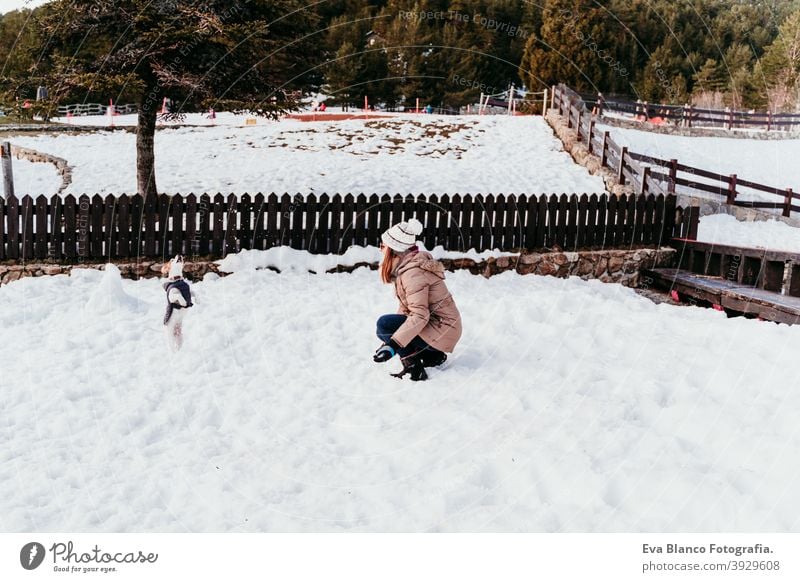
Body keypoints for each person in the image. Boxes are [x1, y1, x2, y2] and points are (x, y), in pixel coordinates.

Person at [373, 219, 462, 381]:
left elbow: (420, 315)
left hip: (443, 329)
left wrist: (393, 344)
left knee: (384, 325)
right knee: (387, 328)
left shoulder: (412, 273)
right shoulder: (408, 267)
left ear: (393, 250)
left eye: (383, 245)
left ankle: (414, 366)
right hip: (442, 327)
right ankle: (431, 357)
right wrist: (391, 339)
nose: (380, 249)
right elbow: (407, 309)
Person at [161, 255, 195, 351]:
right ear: (169, 268)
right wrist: (181, 300)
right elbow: (172, 298)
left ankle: (180, 353)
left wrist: (195, 296)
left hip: (179, 318)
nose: (178, 258)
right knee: (171, 339)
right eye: (172, 260)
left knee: (179, 335)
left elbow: (188, 293)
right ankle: (172, 355)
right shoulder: (172, 285)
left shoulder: (182, 283)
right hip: (171, 319)